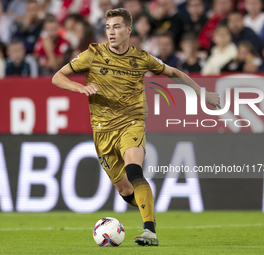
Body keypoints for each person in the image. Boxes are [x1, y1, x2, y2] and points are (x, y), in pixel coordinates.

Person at [52, 8, 220, 246]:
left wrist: (202, 93)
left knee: (134, 170)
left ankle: (149, 230)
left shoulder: (142, 58)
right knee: (124, 189)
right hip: (102, 131)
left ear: (128, 30)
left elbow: (173, 72)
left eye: (117, 27)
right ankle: (145, 203)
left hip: (131, 122)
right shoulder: (92, 55)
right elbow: (57, 77)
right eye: (108, 27)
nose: (111, 32)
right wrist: (80, 88)